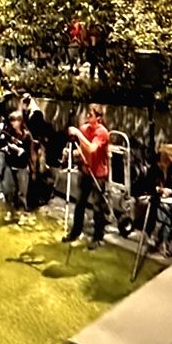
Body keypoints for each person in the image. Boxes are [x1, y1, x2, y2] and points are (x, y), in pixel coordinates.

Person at [62, 104, 111, 250]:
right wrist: (70, 153)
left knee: (97, 206)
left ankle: (98, 236)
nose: (87, 117)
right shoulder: (84, 129)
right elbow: (83, 151)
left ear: (98, 118)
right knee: (80, 203)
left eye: (90, 115)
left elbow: (92, 148)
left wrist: (78, 134)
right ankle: (75, 231)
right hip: (85, 171)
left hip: (98, 174)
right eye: (87, 114)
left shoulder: (102, 133)